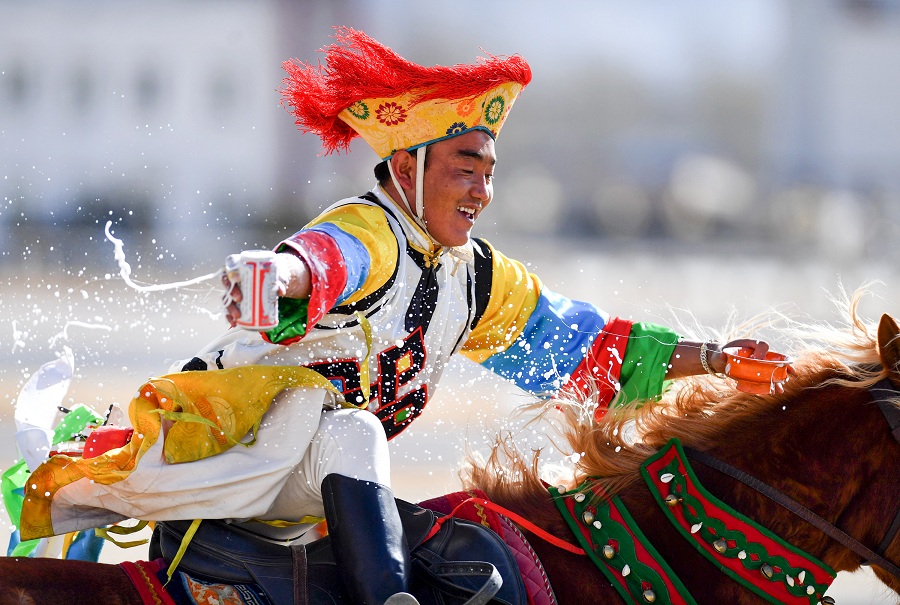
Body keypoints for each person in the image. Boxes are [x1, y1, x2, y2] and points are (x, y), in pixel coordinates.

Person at [20, 28, 784, 605]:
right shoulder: (369, 231)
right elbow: (321, 264)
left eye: (489, 171)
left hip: (313, 483)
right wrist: (276, 277)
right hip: (240, 457)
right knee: (351, 427)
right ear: (406, 168)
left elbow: (584, 349)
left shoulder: (478, 277)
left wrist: (715, 358)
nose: (482, 189)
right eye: (464, 168)